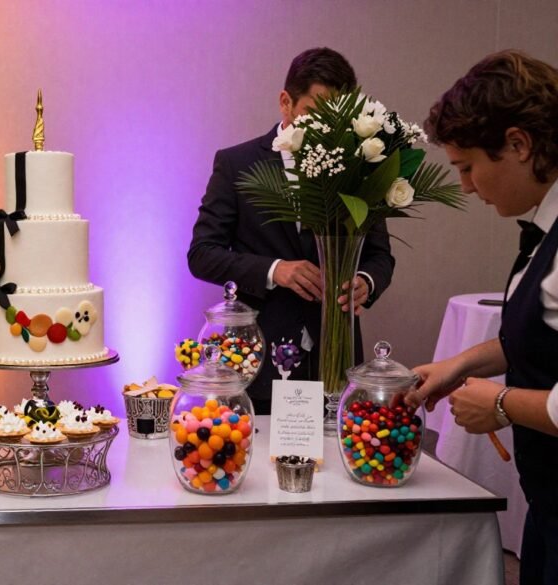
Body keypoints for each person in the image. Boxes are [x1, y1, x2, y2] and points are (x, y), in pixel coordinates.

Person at [408, 50, 558, 584]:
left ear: (518, 144)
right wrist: (459, 364)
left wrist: (499, 403)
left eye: (468, 167)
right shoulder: (543, 224)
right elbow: (540, 336)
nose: (467, 187)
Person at [188, 47, 395, 415]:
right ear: (286, 103)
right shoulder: (237, 164)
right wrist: (274, 270)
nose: (325, 131)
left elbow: (380, 255)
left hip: (339, 365)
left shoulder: (359, 166)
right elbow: (202, 254)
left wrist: (366, 281)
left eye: (337, 121)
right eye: (314, 115)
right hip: (261, 362)